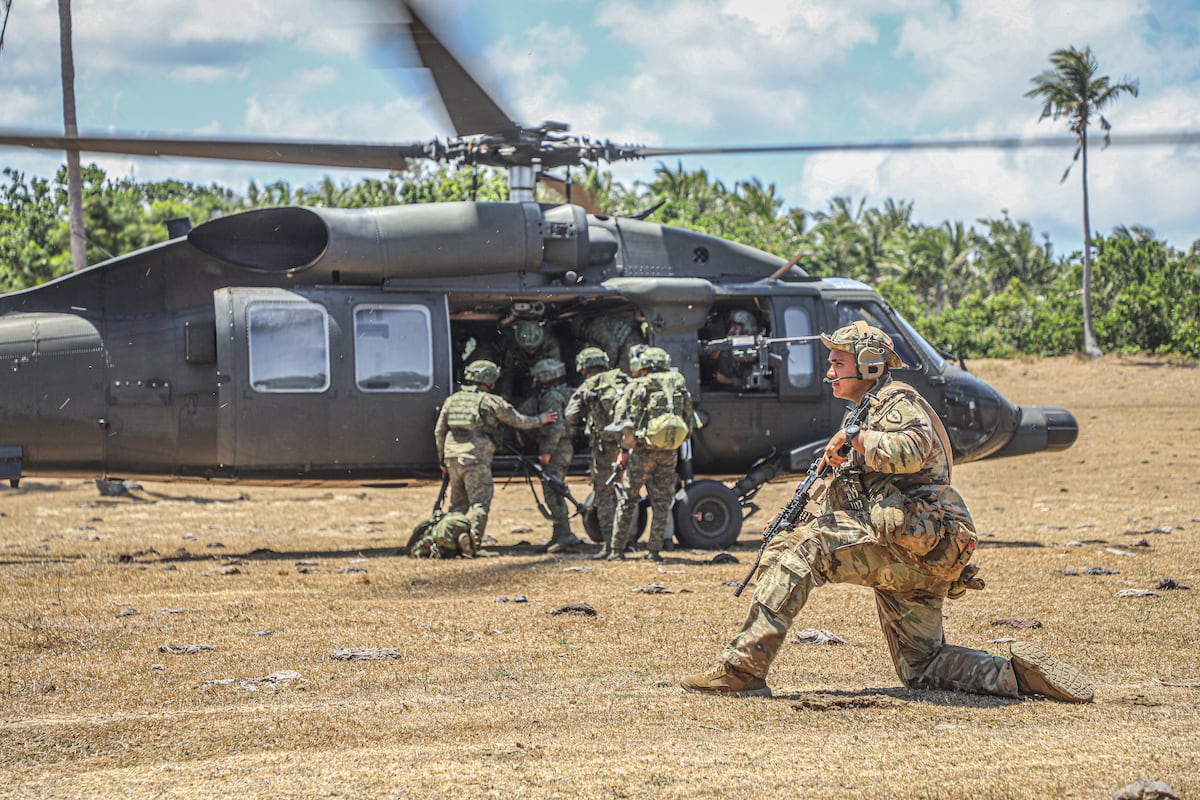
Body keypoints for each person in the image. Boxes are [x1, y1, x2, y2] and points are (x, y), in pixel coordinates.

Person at [680, 321, 1094, 703]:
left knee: (806, 551)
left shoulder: (895, 403)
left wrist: (855, 436)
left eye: (837, 363)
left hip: (912, 542)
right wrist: (799, 518)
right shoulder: (865, 412)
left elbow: (911, 452)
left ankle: (742, 670)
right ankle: (1015, 676)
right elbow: (855, 493)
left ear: (870, 364)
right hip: (916, 549)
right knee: (921, 666)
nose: (829, 372)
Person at [433, 359, 557, 552]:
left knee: (457, 504)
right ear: (490, 381)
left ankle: (448, 540)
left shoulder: (452, 400)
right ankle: (472, 544)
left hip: (452, 457)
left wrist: (442, 460)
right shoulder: (491, 401)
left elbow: (439, 431)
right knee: (479, 503)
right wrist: (540, 420)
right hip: (475, 457)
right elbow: (518, 420)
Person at [607, 346, 693, 562]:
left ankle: (617, 550)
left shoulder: (637, 385)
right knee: (662, 502)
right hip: (669, 452)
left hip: (641, 452)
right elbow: (689, 420)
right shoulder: (678, 384)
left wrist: (624, 450)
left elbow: (621, 422)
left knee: (628, 499)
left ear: (643, 365)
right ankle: (654, 552)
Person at [564, 347, 631, 559]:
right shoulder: (624, 379)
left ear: (584, 369)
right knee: (629, 493)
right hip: (630, 445)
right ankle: (630, 542)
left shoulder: (589, 385)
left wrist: (588, 415)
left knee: (605, 496)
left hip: (605, 449)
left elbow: (570, 415)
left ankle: (611, 547)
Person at [525, 357, 582, 553]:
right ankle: (559, 535)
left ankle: (565, 535)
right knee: (555, 490)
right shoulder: (565, 392)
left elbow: (556, 427)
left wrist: (546, 451)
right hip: (563, 447)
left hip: (557, 449)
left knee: (554, 492)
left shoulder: (551, 397)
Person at [500, 319, 562, 405]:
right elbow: (508, 373)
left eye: (534, 348)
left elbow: (557, 372)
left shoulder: (550, 343)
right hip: (522, 377)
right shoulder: (513, 347)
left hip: (545, 381)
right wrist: (505, 396)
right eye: (527, 348)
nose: (531, 351)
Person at [710, 309, 758, 390]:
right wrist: (722, 345)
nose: (732, 330)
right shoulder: (727, 345)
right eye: (731, 327)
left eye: (735, 327)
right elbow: (712, 359)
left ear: (746, 329)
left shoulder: (753, 351)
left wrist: (728, 381)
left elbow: (750, 382)